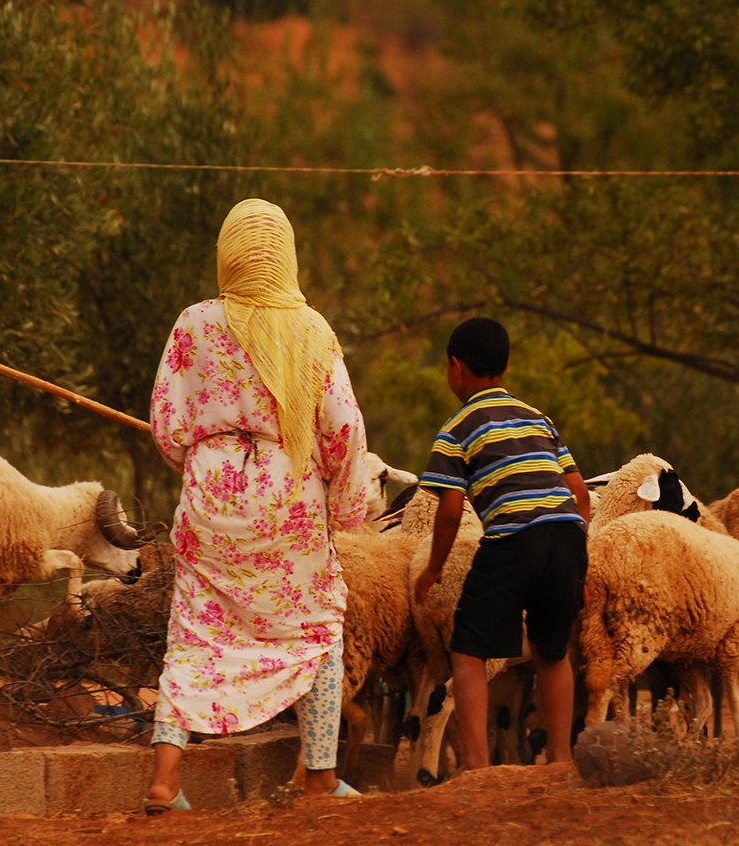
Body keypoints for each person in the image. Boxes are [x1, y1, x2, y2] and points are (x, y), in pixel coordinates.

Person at [144, 198, 371, 813]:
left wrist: (201, 462)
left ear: (228, 254)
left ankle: (166, 777)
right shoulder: (313, 331)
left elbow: (167, 425)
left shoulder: (194, 323)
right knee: (317, 626)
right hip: (286, 499)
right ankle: (319, 779)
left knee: (192, 627)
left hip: (210, 496)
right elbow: (343, 433)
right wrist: (351, 509)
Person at [413, 317, 590, 773]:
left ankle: (476, 768)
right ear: (506, 365)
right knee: (552, 651)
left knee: (468, 648)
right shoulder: (539, 418)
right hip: (567, 535)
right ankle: (561, 761)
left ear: (455, 367)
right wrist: (579, 570)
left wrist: (434, 569)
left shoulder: (457, 428)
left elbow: (451, 511)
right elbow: (580, 494)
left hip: (514, 537)